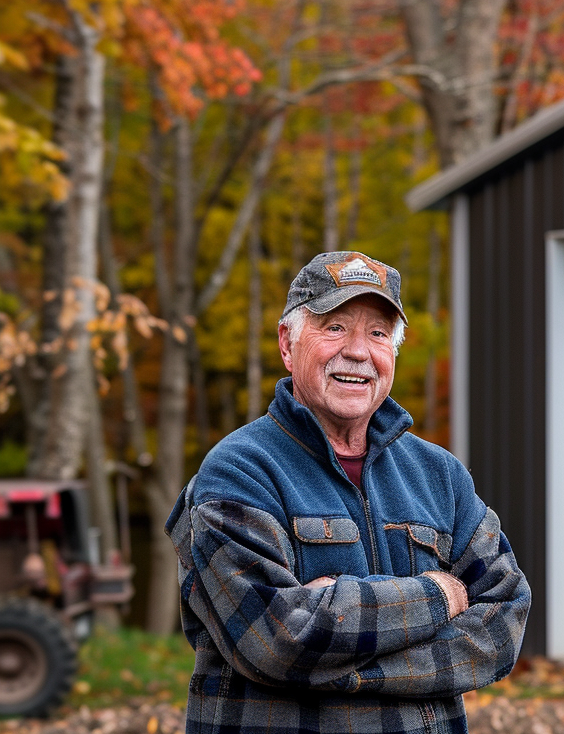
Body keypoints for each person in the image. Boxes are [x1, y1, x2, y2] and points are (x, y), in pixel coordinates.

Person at [165, 251, 530, 734]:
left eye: (378, 334)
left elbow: (502, 626)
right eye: (334, 327)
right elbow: (277, 640)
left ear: (393, 353)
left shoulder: (439, 475)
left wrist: (339, 658)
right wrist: (439, 596)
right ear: (287, 344)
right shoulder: (238, 473)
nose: (358, 351)